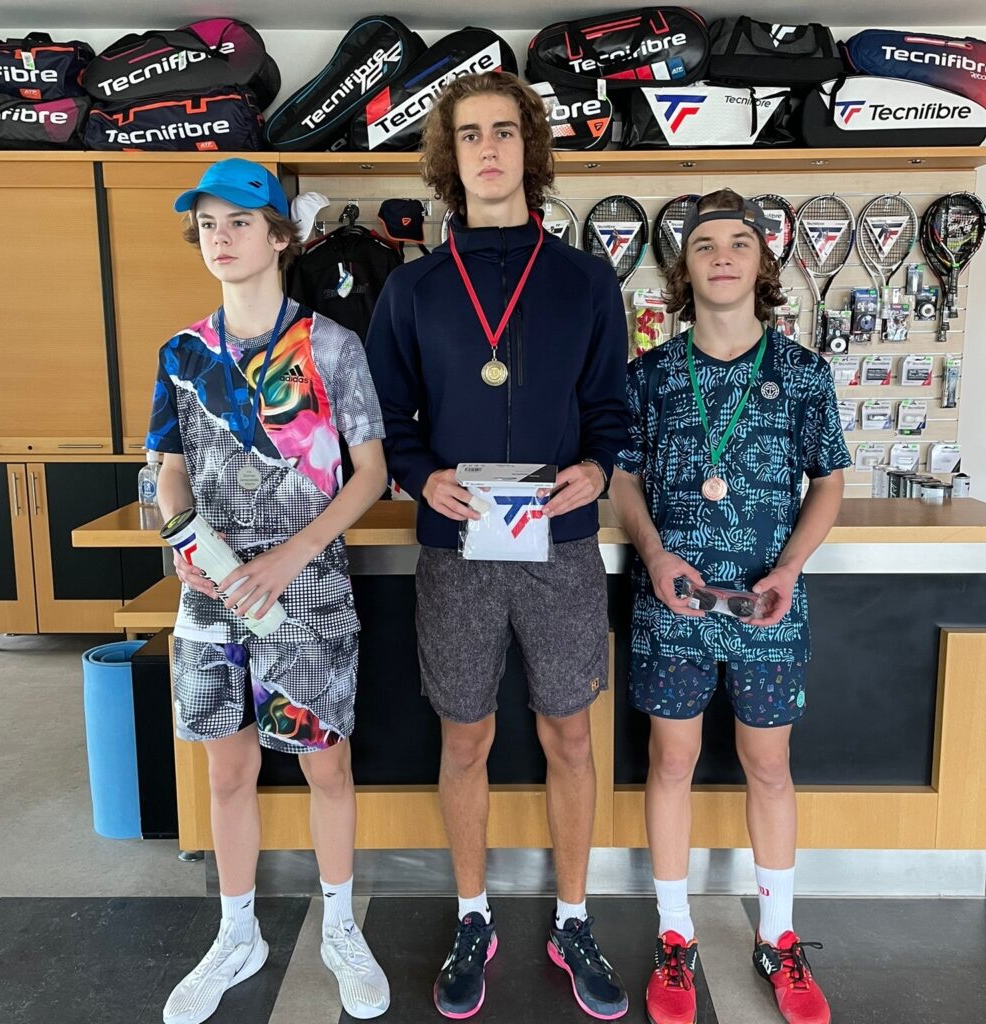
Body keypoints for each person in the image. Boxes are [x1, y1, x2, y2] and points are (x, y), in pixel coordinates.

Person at [366, 72, 630, 1020]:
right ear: (451, 155)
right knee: (465, 734)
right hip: (457, 545)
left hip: (560, 542)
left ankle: (573, 918)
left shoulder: (585, 280)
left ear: (531, 149)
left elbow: (610, 407)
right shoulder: (413, 288)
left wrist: (597, 469)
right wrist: (417, 472)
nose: (488, 148)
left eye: (506, 131)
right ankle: (473, 916)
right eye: (471, 133)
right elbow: (389, 417)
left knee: (570, 732)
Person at [146, 158, 391, 1023]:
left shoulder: (331, 346)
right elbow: (167, 468)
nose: (220, 237)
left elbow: (370, 473)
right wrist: (183, 540)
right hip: (211, 597)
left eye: (240, 222)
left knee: (326, 764)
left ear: (281, 237)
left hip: (307, 592)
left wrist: (293, 555)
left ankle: (340, 927)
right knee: (227, 770)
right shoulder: (182, 353)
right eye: (208, 224)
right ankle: (236, 932)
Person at [609, 190, 851, 1024]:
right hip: (671, 603)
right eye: (704, 244)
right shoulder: (648, 375)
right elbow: (623, 479)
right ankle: (674, 936)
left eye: (738, 243)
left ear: (761, 262)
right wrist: (653, 553)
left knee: (769, 766)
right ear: (684, 268)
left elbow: (829, 482)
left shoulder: (803, 373)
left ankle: (778, 938)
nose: (721, 255)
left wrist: (789, 567)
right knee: (671, 761)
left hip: (768, 607)